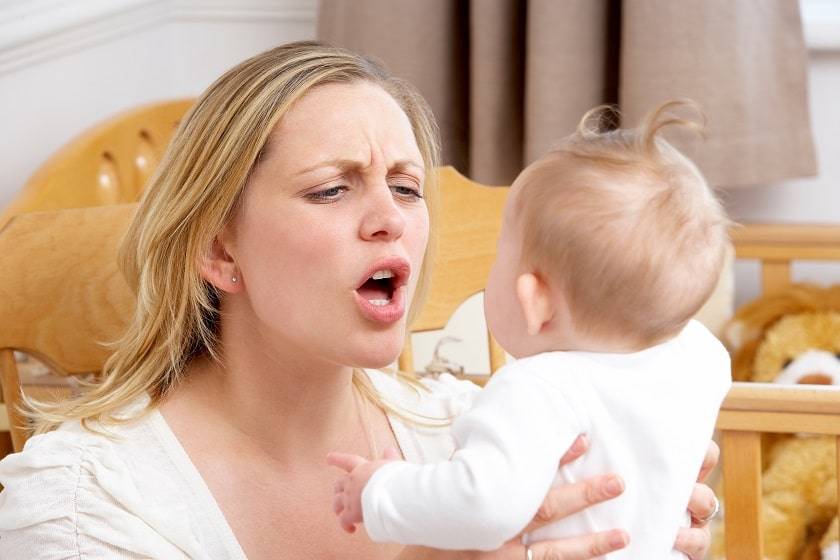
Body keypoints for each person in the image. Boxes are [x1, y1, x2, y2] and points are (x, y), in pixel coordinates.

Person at [0, 42, 718, 559]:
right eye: (331, 189)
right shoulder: (84, 508)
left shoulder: (476, 439)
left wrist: (652, 523)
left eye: (406, 187)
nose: (391, 218)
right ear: (220, 251)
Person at [327, 101, 731, 558]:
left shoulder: (537, 389)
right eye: (330, 190)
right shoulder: (702, 359)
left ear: (533, 300)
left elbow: (482, 504)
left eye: (502, 250)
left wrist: (379, 490)